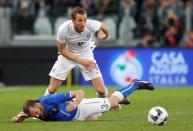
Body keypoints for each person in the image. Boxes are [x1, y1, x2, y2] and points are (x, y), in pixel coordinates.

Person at [11, 80, 154, 122]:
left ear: (38, 104)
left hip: (81, 108)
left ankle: (136, 84)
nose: (37, 115)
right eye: (33, 115)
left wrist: (76, 103)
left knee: (109, 103)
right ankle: (112, 101)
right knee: (97, 117)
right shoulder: (33, 111)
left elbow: (79, 92)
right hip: (76, 119)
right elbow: (16, 118)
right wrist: (19, 118)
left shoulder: (50, 99)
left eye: (36, 112)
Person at [44, 7, 109, 98]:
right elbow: (62, 50)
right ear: (73, 21)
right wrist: (80, 60)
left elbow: (102, 25)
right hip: (67, 55)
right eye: (80, 20)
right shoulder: (63, 29)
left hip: (86, 55)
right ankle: (44, 107)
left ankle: (103, 107)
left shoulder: (91, 25)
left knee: (101, 91)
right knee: (51, 90)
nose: (83, 23)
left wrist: (106, 35)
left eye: (85, 20)